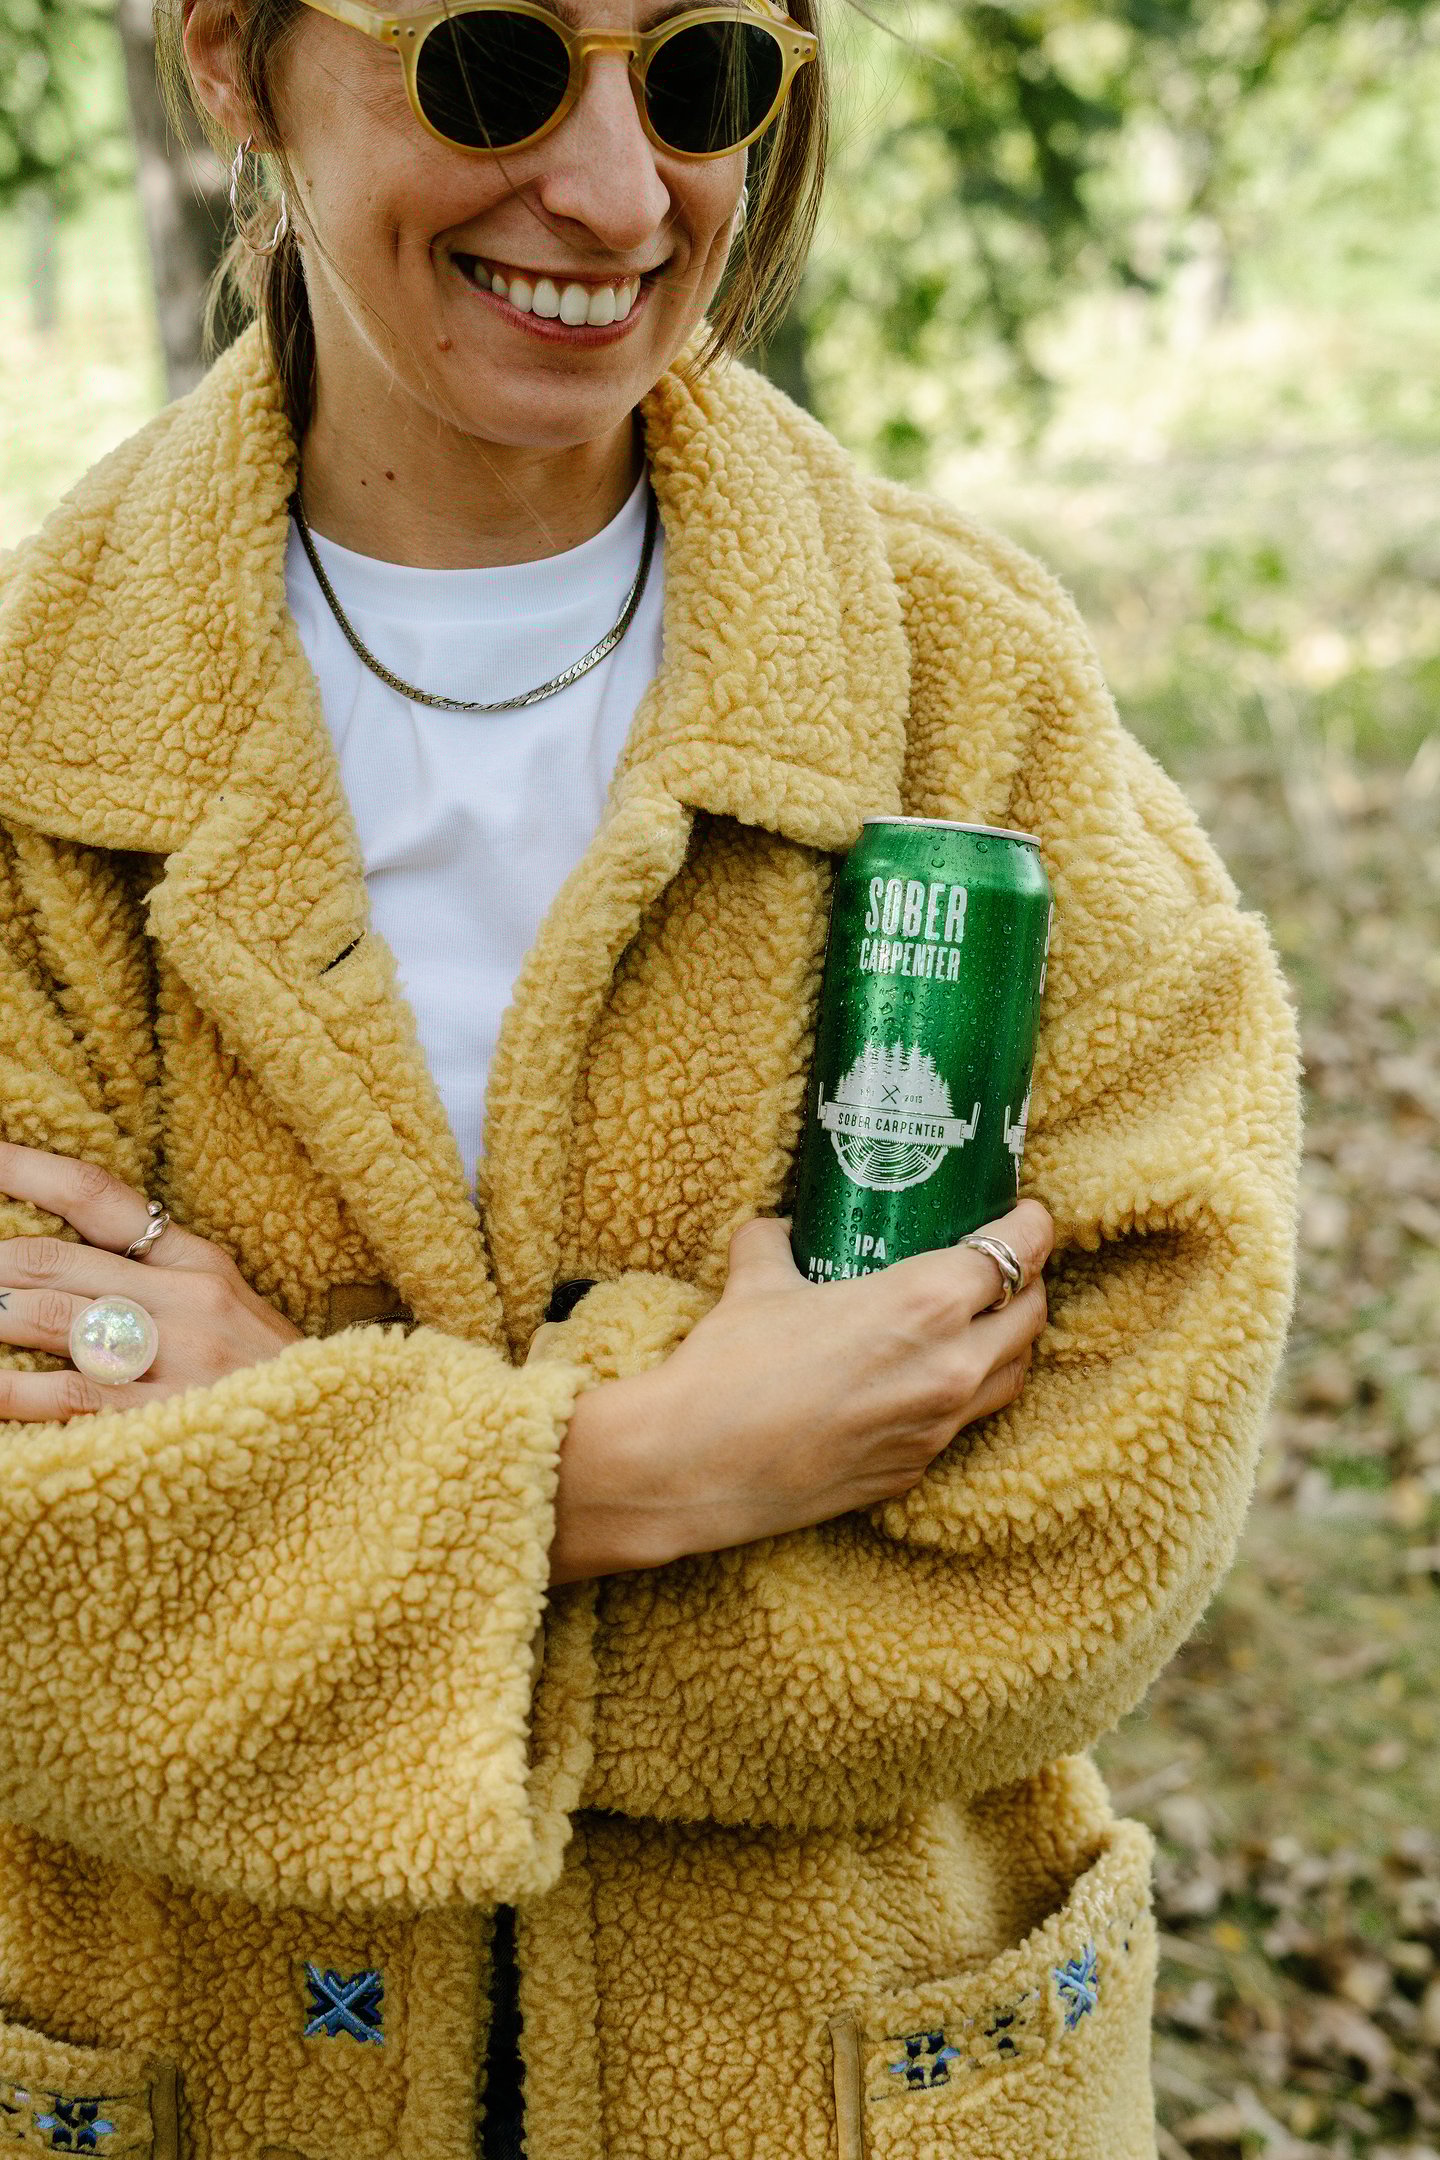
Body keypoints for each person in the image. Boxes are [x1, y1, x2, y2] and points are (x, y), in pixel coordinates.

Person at [0, 0, 1299, 2150]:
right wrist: (650, 1470)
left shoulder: (969, 692)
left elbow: (1107, 1486)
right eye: (495, 64)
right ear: (234, 61)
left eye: (696, 74)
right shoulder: (40, 736)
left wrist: (297, 1497)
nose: (619, 192)